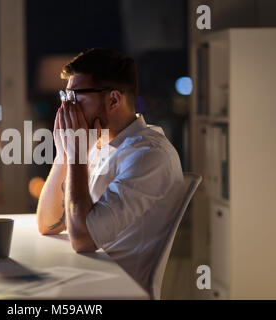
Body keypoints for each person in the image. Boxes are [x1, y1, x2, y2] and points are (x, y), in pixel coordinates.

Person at [36, 48, 184, 293]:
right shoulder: (98, 143)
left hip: (117, 290)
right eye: (65, 97)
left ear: (114, 100)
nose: (66, 107)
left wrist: (75, 156)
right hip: (88, 277)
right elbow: (48, 224)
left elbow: (82, 239)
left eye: (74, 97)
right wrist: (64, 155)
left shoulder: (148, 156)